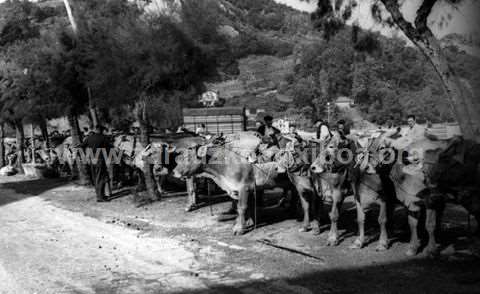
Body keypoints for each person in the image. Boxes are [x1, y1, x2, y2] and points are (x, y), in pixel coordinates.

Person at [79, 125, 112, 202]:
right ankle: (100, 197)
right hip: (100, 159)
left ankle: (100, 195)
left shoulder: (89, 137)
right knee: (100, 178)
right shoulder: (103, 137)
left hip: (92, 160)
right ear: (100, 130)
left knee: (96, 178)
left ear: (95, 129)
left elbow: (81, 146)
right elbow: (109, 148)